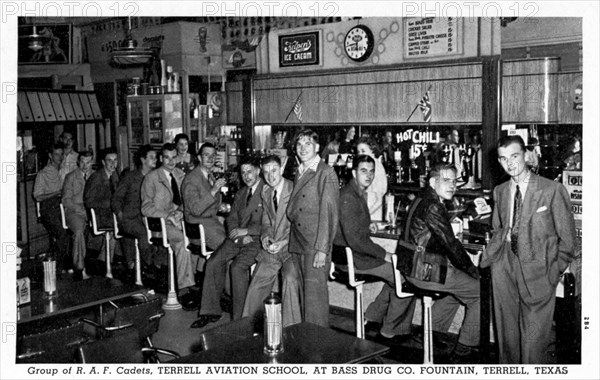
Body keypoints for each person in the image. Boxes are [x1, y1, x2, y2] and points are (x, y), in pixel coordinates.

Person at [481, 135, 576, 364]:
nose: (509, 163)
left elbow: (568, 241)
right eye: (503, 159)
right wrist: (495, 260)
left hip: (538, 271)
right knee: (506, 337)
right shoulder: (500, 190)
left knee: (533, 343)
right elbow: (498, 228)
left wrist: (552, 271)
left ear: (526, 155)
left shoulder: (552, 190)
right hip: (505, 266)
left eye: (514, 156)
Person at [399, 162, 481, 363]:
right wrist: (472, 269)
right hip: (425, 272)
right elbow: (450, 244)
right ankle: (465, 348)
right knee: (481, 292)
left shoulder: (420, 198)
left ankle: (429, 333)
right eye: (446, 180)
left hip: (411, 268)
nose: (452, 185)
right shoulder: (434, 205)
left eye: (454, 181)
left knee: (459, 287)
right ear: (433, 182)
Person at [334, 154, 414, 340]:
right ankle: (389, 331)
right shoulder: (349, 196)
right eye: (363, 171)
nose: (368, 175)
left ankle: (370, 317)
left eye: (371, 171)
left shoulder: (356, 192)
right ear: (354, 172)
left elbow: (352, 228)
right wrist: (383, 253)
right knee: (406, 277)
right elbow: (355, 240)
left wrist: (366, 225)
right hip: (354, 259)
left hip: (355, 255)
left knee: (397, 275)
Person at [192, 156, 265, 328]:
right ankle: (210, 312)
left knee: (237, 267)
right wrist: (238, 235)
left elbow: (272, 223)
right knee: (213, 262)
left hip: (258, 239)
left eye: (250, 171)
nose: (246, 176)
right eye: (243, 172)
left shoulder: (267, 191)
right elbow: (231, 219)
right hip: (237, 237)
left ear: (258, 171)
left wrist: (248, 232)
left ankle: (239, 319)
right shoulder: (241, 193)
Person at [287, 128, 339, 327]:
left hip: (315, 244)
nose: (303, 148)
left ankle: (318, 349)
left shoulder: (325, 172)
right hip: (299, 242)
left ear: (317, 147)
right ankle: (308, 342)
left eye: (308, 144)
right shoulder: (300, 170)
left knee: (314, 302)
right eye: (299, 144)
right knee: (304, 298)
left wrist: (322, 250)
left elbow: (329, 214)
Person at [243, 155, 302, 328]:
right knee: (256, 283)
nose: (270, 176)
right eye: (266, 172)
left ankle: (291, 329)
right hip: (273, 248)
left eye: (274, 170)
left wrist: (283, 243)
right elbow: (266, 222)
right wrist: (265, 238)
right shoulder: (266, 191)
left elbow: (300, 226)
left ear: (281, 169)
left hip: (292, 247)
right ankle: (249, 328)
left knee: (290, 279)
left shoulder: (294, 190)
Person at [141, 143, 198, 310]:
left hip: (177, 220)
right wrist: (167, 216)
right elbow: (146, 207)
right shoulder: (151, 178)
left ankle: (193, 278)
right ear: (161, 158)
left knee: (198, 236)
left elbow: (186, 200)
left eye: (174, 157)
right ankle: (184, 290)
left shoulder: (181, 175)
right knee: (181, 241)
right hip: (159, 224)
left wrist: (180, 211)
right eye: (167, 157)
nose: (171, 161)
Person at [112, 145, 165, 276]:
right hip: (130, 219)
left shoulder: (157, 177)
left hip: (150, 217)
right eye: (151, 157)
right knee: (144, 233)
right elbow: (116, 199)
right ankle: (149, 265)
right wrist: (120, 215)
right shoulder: (130, 177)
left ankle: (158, 263)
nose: (155, 160)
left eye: (156, 157)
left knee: (165, 232)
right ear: (142, 160)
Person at [181, 142, 228, 253]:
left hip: (211, 223)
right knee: (229, 249)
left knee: (236, 239)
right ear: (199, 157)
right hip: (198, 228)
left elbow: (211, 205)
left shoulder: (209, 176)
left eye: (213, 155)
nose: (210, 158)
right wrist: (214, 190)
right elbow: (196, 210)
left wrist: (220, 209)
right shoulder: (191, 179)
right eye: (206, 155)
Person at [33, 143, 70, 273]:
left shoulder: (64, 171)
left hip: (62, 206)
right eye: (56, 154)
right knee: (61, 234)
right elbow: (37, 196)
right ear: (50, 155)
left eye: (61, 154)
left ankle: (63, 263)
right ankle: (57, 268)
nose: (59, 157)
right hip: (49, 208)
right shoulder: (43, 174)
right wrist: (56, 193)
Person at [62, 150, 94, 280]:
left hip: (90, 211)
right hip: (74, 211)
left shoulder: (95, 176)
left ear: (92, 162)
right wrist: (80, 209)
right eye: (82, 162)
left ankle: (103, 263)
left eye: (88, 162)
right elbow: (66, 200)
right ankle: (79, 268)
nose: (85, 165)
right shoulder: (71, 177)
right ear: (78, 162)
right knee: (79, 231)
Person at [356, 136, 388, 221]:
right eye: (358, 151)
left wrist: (364, 217)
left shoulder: (376, 167)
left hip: (373, 216)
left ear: (372, 151)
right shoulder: (369, 166)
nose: (360, 154)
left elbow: (379, 200)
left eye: (363, 151)